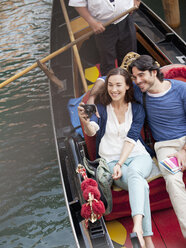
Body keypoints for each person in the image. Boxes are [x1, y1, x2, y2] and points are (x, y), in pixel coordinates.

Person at [78, 67, 155, 248]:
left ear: (128, 86)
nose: (114, 89)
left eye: (119, 85)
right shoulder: (102, 109)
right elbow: (93, 131)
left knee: (136, 173)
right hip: (110, 161)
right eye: (111, 85)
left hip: (138, 156)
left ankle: (137, 227)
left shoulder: (137, 108)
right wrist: (86, 122)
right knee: (141, 183)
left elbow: (132, 137)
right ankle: (147, 239)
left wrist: (121, 163)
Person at [128, 55, 186, 239]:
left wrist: (184, 151)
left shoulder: (181, 89)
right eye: (134, 77)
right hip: (165, 147)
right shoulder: (139, 92)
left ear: (154, 72)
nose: (138, 81)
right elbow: (107, 82)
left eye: (141, 75)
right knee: (172, 180)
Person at [69, 0, 140, 75]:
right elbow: (77, 3)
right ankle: (111, 83)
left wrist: (137, 1)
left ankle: (130, 81)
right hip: (103, 26)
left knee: (130, 58)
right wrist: (92, 23)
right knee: (107, 61)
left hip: (126, 18)